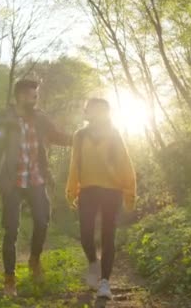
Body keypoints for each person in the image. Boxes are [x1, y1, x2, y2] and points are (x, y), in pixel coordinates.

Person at [0, 79, 72, 297]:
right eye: (33, 95)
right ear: (21, 95)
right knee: (11, 230)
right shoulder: (3, 120)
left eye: (37, 95)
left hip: (37, 181)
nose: (36, 98)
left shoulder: (40, 119)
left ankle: (34, 259)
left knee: (42, 220)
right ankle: (9, 278)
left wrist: (79, 138)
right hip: (12, 182)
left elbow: (57, 136)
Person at [66, 98, 136, 299]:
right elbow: (74, 165)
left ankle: (105, 282)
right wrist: (71, 190)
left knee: (108, 235)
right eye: (91, 110)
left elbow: (125, 163)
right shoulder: (79, 136)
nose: (95, 113)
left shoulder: (114, 135)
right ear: (87, 112)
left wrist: (129, 192)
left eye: (101, 110)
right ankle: (93, 263)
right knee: (85, 233)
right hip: (87, 190)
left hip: (112, 191)